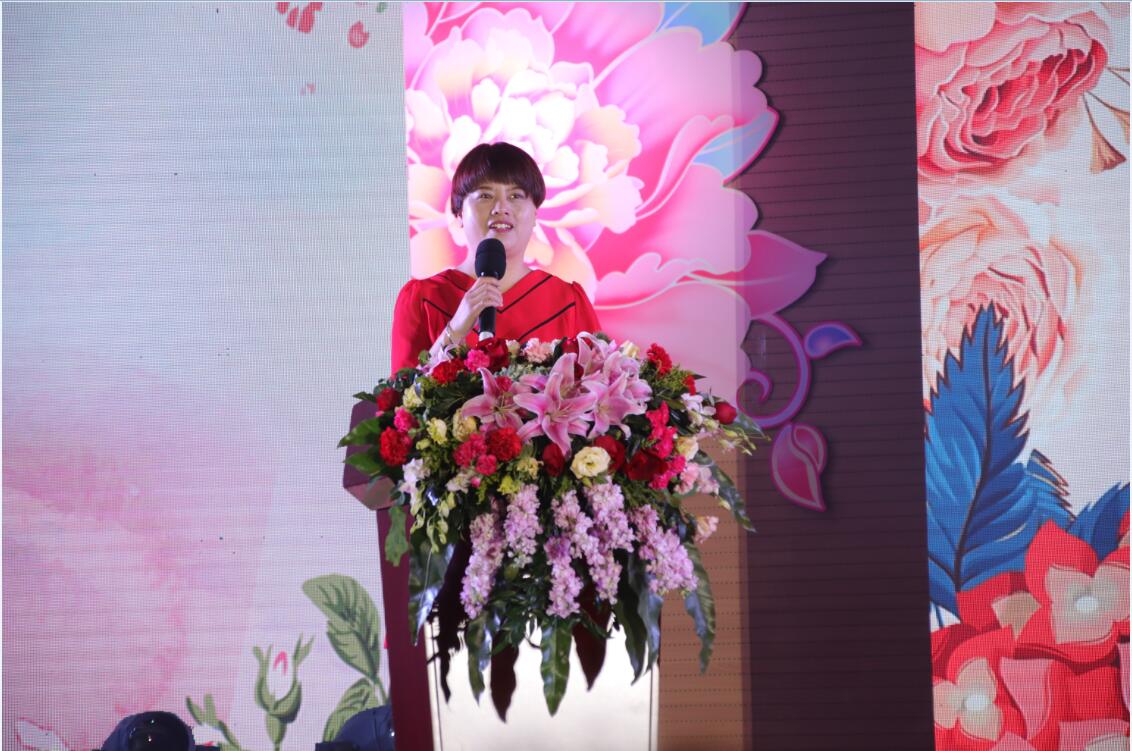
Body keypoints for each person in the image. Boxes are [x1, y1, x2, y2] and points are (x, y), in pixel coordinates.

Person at [390, 142, 601, 371]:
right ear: (459, 212)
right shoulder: (423, 299)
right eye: (485, 195)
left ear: (535, 214)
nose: (501, 207)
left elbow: (598, 383)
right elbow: (402, 391)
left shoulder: (568, 302)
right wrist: (456, 328)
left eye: (516, 195)